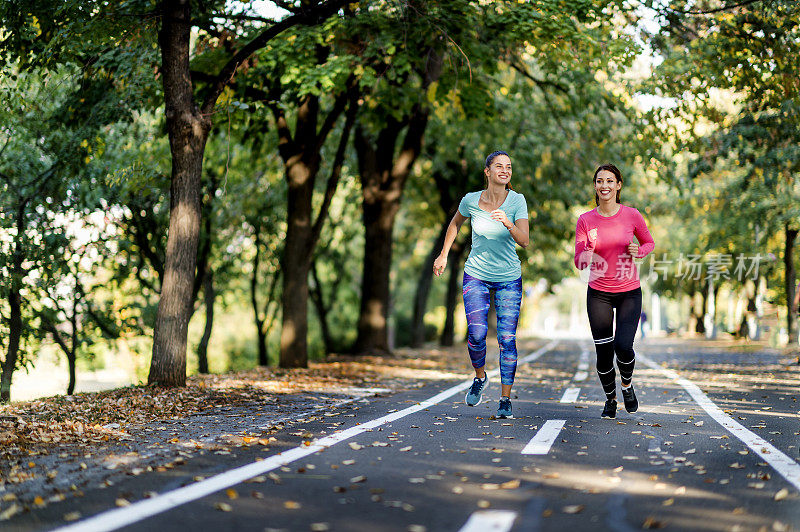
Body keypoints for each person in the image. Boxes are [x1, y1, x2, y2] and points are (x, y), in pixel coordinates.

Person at [433, 151, 529, 419]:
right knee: (476, 334)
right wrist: (443, 254)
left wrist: (507, 222)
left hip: (509, 276)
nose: (505, 170)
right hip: (476, 273)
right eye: (499, 166)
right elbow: (454, 224)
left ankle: (505, 400)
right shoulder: (471, 200)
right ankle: (479, 377)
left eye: (509, 167)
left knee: (506, 339)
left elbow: (525, 240)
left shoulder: (517, 201)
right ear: (487, 171)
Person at [574, 163, 655, 419]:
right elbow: (579, 260)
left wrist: (638, 251)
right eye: (600, 181)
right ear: (595, 186)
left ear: (618, 185)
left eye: (610, 181)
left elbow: (649, 242)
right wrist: (586, 253)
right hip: (598, 293)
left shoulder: (632, 215)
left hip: (629, 291)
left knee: (623, 346)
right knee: (604, 354)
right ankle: (610, 399)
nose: (604, 186)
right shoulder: (585, 220)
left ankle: (627, 385)